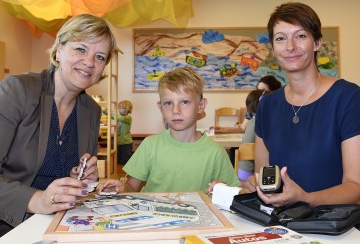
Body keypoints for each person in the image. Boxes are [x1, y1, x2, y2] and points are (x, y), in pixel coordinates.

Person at [0, 14, 117, 236]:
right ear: (58, 50)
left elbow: (76, 181)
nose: (90, 62)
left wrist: (84, 179)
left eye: (100, 57)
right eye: (81, 49)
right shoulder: (17, 90)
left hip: (60, 225)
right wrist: (37, 200)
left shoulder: (92, 111)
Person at [242, 2, 360, 207]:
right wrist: (255, 184)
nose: (290, 46)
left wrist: (305, 198)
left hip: (335, 228)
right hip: (281, 226)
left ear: (317, 42)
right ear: (273, 47)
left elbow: (355, 186)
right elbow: (264, 174)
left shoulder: (348, 97)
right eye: (280, 38)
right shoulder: (267, 105)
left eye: (301, 36)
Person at [97, 67, 240, 194]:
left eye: (184, 102)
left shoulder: (216, 152)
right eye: (168, 103)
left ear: (201, 105)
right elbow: (131, 187)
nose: (175, 110)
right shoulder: (150, 145)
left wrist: (223, 191)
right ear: (160, 108)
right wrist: (121, 188)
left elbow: (232, 193)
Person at [214, 75, 281, 135]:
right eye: (258, 90)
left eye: (263, 91)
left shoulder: (281, 109)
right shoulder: (254, 107)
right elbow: (242, 128)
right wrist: (224, 130)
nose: (259, 94)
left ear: (274, 92)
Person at [237, 89, 269, 182]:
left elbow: (246, 148)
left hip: (249, 176)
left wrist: (243, 175)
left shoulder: (253, 123)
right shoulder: (273, 122)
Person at [115, 100, 133, 165]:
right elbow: (114, 117)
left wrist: (111, 113)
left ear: (127, 109)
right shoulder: (119, 117)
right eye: (119, 108)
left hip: (126, 143)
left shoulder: (128, 118)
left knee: (125, 161)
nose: (119, 110)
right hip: (119, 142)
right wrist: (107, 113)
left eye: (121, 108)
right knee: (118, 161)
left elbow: (120, 118)